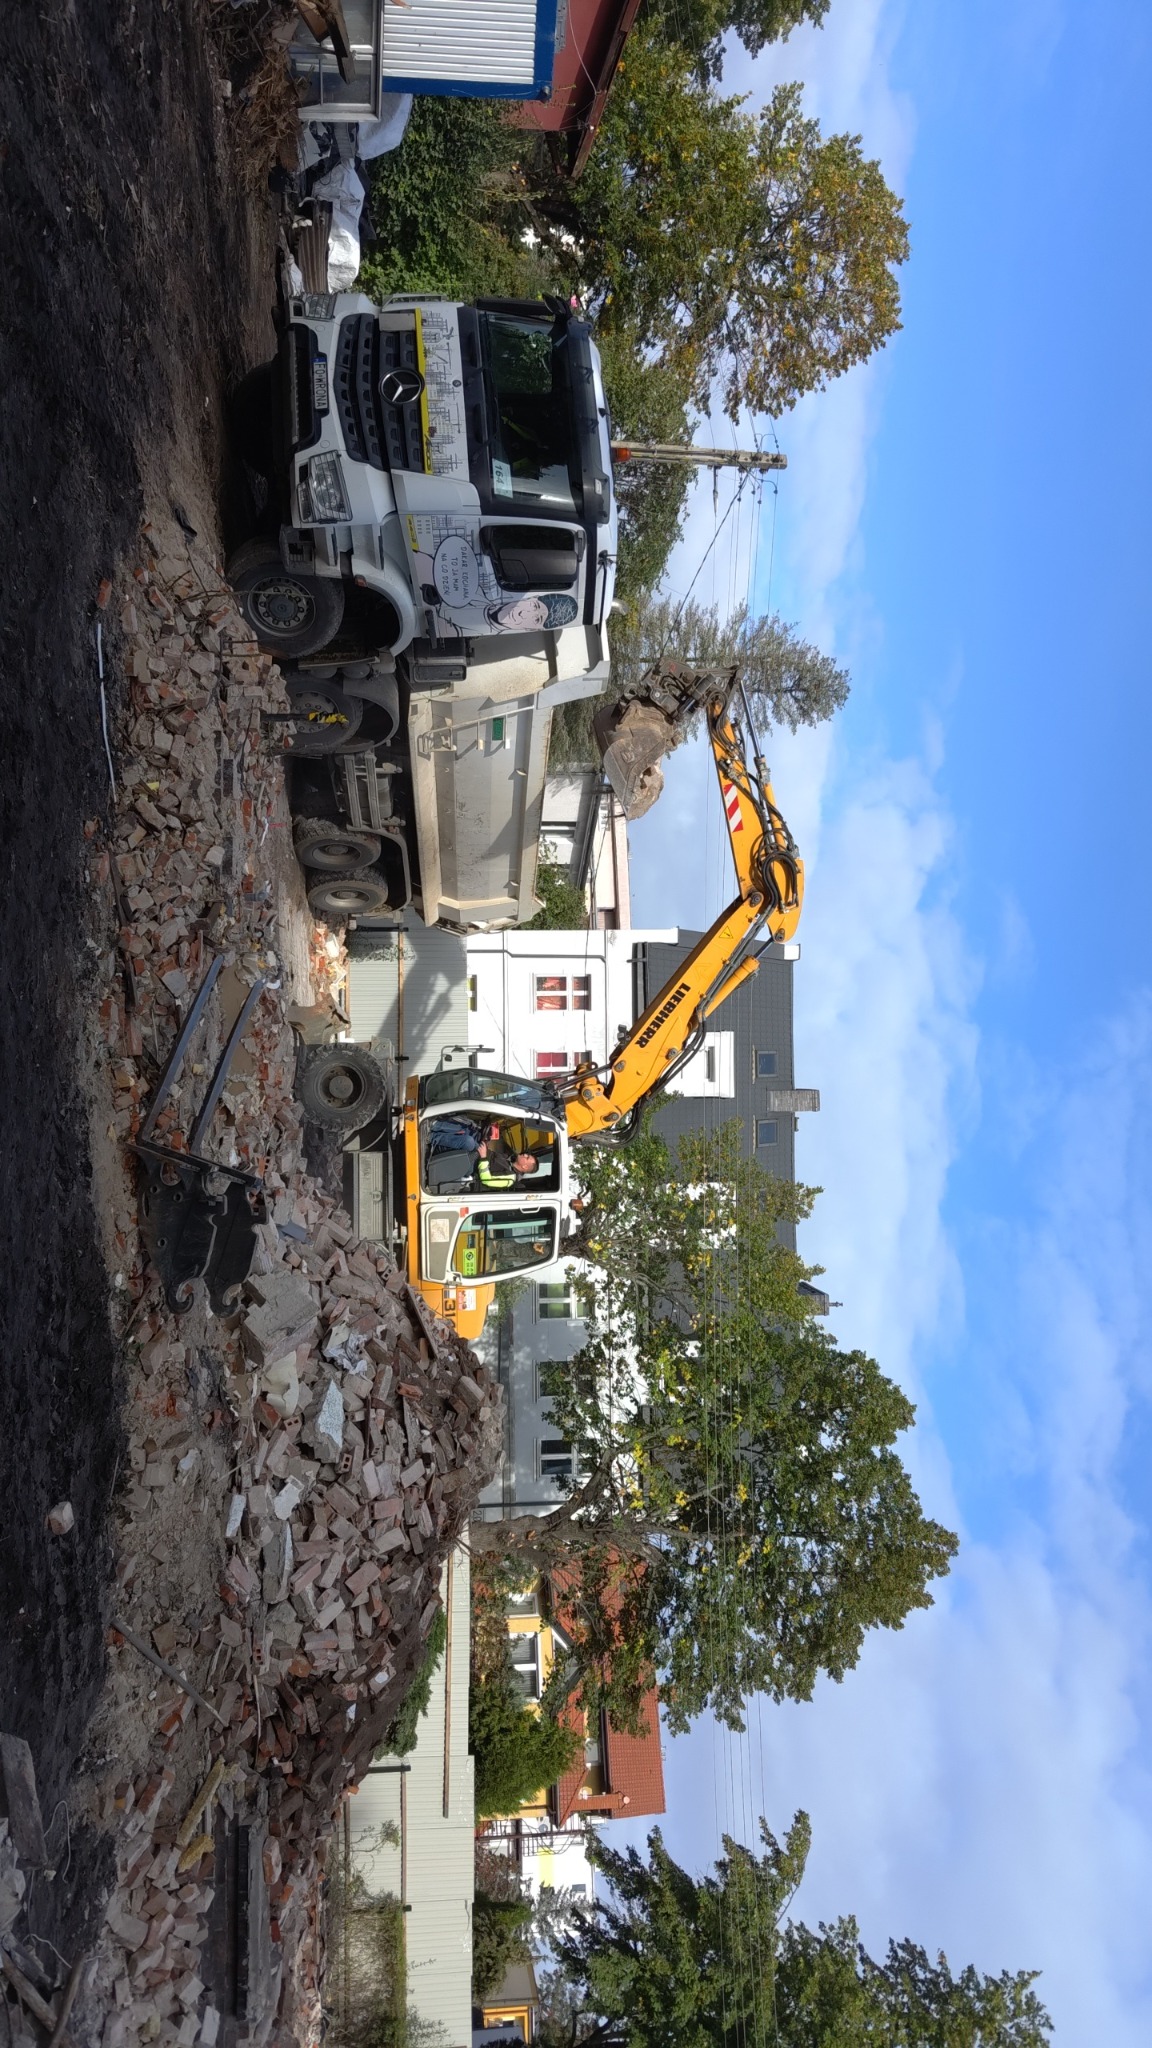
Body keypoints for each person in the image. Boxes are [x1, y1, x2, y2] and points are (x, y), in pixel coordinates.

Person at [424, 1116, 536, 1192]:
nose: (524, 1155)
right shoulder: (509, 1159)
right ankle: (435, 1126)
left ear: (524, 1167)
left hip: (473, 1167)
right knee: (472, 1130)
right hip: (478, 1155)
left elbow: (487, 1179)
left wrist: (483, 1158)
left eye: (527, 1157)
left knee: (468, 1142)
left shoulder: (510, 1179)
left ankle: (432, 1137)